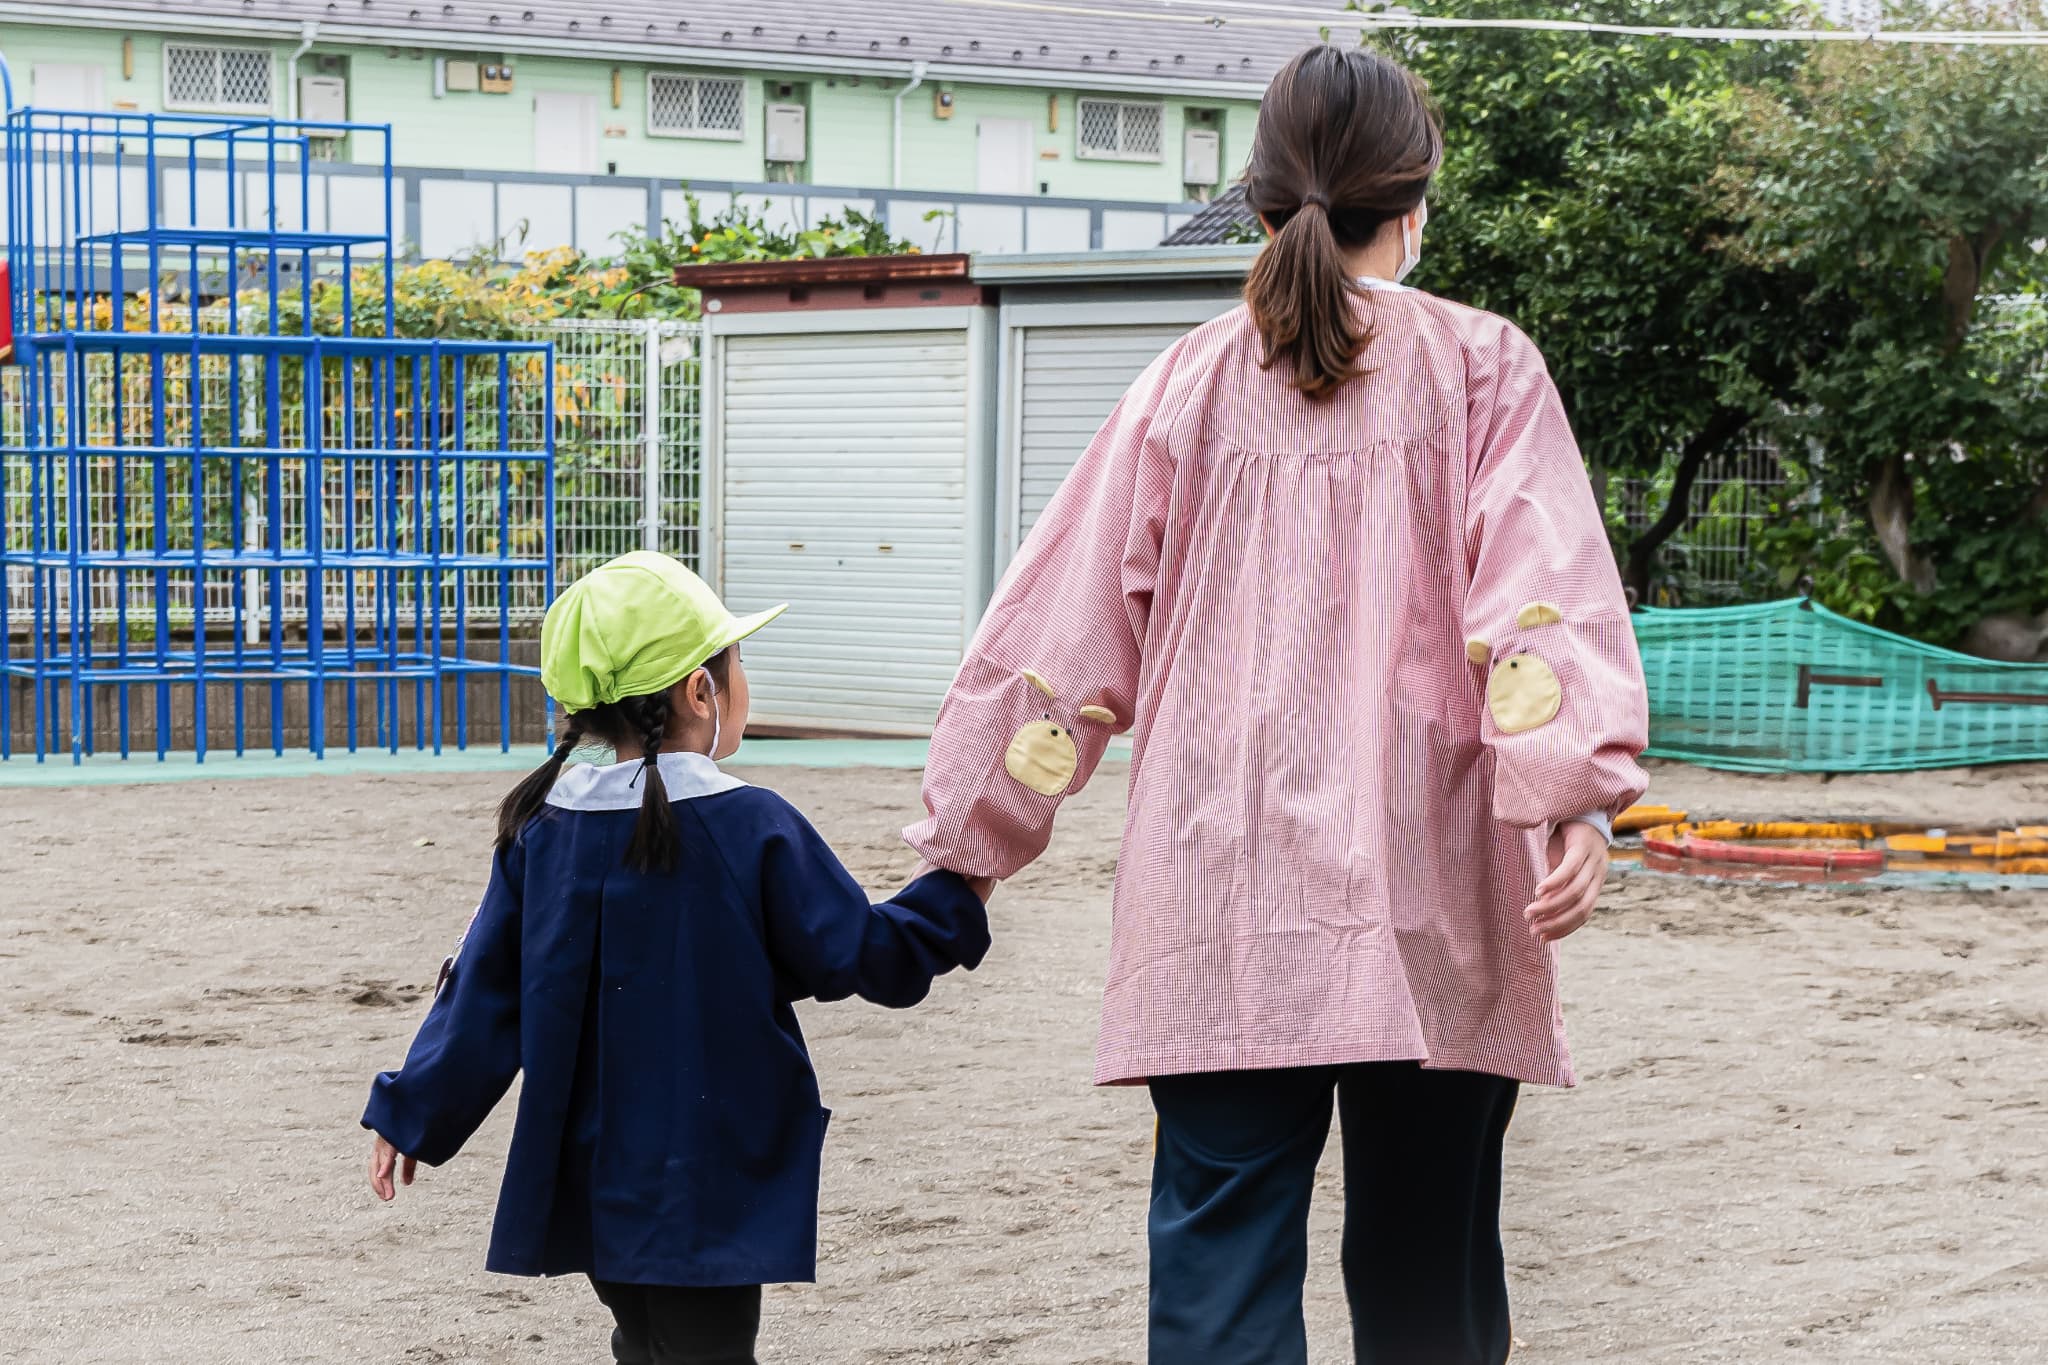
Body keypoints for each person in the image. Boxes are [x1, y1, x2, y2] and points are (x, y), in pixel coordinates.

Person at [904, 44, 1649, 1365]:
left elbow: (1058, 643)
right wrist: (1575, 796)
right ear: (1416, 207)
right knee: (1430, 1266)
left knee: (1218, 1269)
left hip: (1220, 899)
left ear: (1257, 205)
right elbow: (1540, 603)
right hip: (1435, 896)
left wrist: (973, 845)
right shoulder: (1482, 369)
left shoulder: (1180, 388)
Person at [361, 551, 994, 1365]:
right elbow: (862, 954)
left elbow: (486, 989)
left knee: (645, 1340)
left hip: (592, 1170)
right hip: (710, 1173)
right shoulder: (750, 824)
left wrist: (413, 1108)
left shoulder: (542, 831)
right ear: (702, 690)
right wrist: (959, 891)